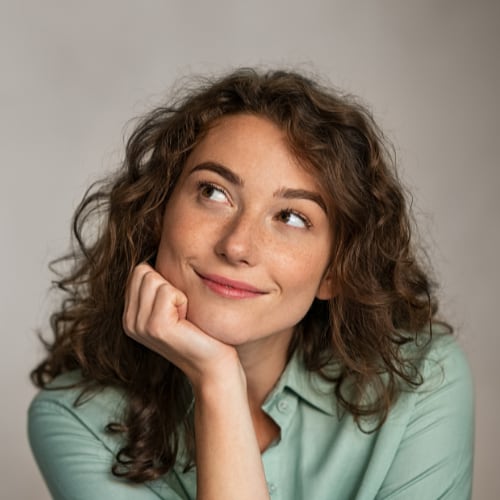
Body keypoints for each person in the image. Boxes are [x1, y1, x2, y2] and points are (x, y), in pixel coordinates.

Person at [28, 68, 474, 500]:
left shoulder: (424, 381)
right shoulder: (75, 418)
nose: (238, 246)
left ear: (337, 271)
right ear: (156, 213)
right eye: (214, 193)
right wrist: (218, 380)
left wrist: (216, 379)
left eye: (292, 217)